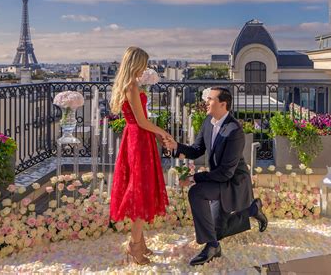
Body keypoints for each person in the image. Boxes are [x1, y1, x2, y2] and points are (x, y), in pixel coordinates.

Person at [163, 87, 267, 266]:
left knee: (197, 193)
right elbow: (196, 150)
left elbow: (226, 172)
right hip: (218, 179)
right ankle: (252, 210)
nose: (206, 102)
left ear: (223, 104)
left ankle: (213, 246)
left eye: (210, 99)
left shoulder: (235, 131)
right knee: (215, 226)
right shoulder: (208, 122)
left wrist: (195, 178)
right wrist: (176, 147)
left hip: (233, 181)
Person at [109, 46, 170, 265]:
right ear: (136, 63)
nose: (145, 68)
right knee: (139, 191)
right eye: (143, 63)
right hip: (138, 138)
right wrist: (163, 132)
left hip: (137, 137)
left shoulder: (129, 85)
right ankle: (135, 247)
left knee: (139, 188)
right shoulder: (132, 87)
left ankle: (140, 244)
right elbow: (142, 121)